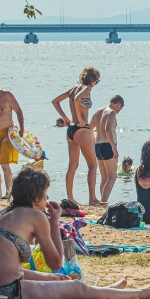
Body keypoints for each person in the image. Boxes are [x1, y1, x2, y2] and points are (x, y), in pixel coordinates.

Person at [0, 167, 150, 299]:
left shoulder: (1, 215)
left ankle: (108, 290)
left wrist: (50, 277)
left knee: (57, 278)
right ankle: (142, 292)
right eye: (45, 193)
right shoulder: (35, 216)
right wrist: (54, 221)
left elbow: (10, 269)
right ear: (36, 197)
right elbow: (56, 262)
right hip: (5, 293)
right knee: (77, 287)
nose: (47, 199)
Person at [51, 66, 101, 206]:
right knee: (93, 165)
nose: (96, 84)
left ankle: (70, 198)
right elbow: (78, 99)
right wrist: (80, 119)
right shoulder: (86, 88)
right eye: (97, 81)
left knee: (73, 165)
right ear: (92, 80)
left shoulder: (73, 88)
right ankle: (92, 198)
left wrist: (66, 118)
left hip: (71, 130)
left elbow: (55, 101)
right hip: (81, 129)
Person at [90, 95, 124, 205]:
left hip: (98, 145)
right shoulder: (111, 112)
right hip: (108, 145)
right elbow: (108, 129)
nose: (118, 112)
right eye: (120, 109)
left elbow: (90, 128)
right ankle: (104, 202)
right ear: (118, 105)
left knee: (104, 178)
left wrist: (93, 141)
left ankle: (102, 201)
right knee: (112, 177)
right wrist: (114, 148)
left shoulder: (97, 112)